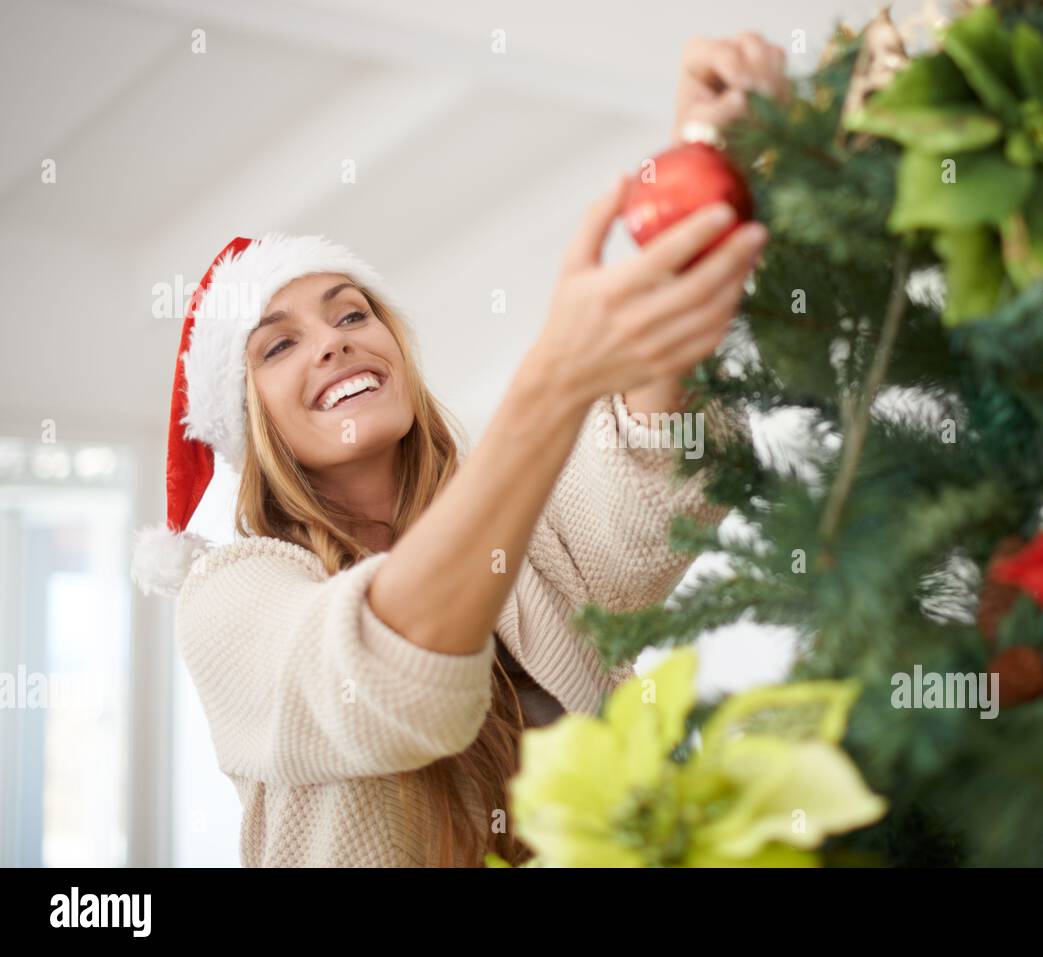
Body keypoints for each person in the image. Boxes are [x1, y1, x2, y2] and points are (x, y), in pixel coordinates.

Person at [131, 33, 787, 867]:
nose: (332, 343)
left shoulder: (523, 529)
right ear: (246, 416)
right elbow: (379, 677)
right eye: (277, 345)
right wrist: (551, 380)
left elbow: (652, 461)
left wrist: (702, 173)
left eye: (351, 314)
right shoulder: (231, 599)